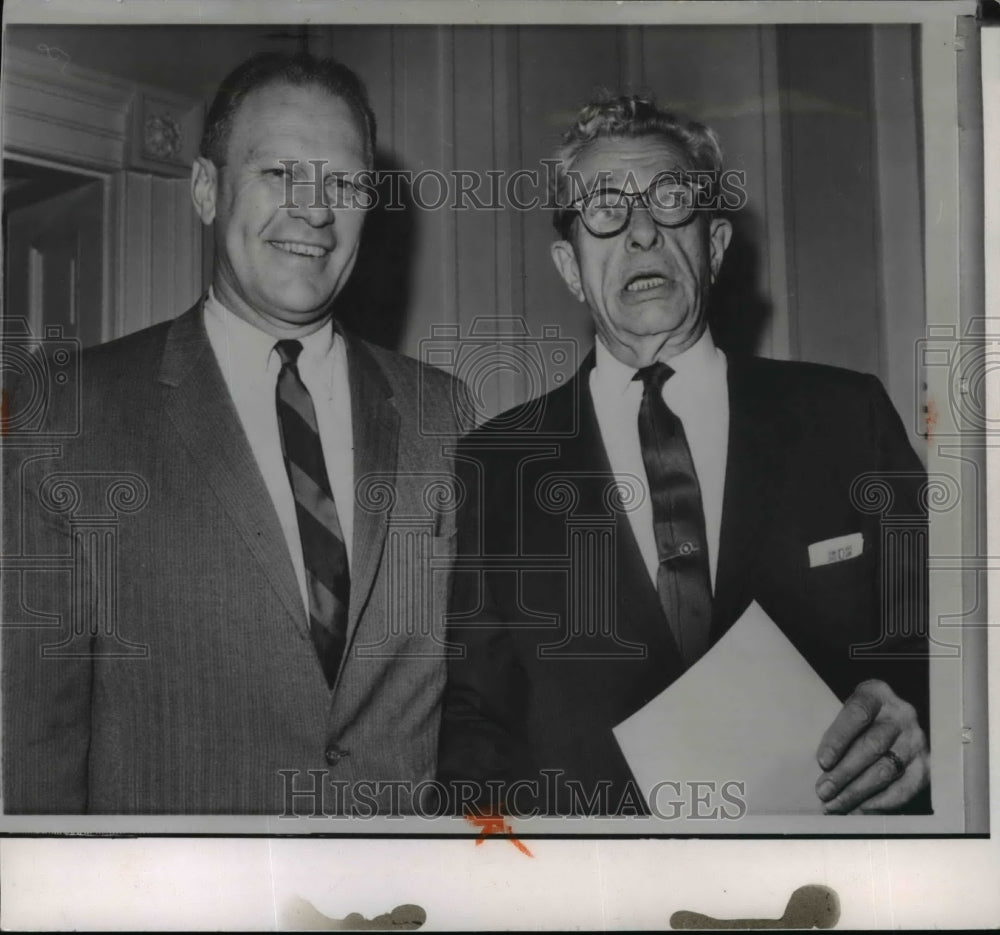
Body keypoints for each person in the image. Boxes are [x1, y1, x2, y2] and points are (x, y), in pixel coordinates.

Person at [438, 95, 930, 817]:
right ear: (570, 267)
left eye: (671, 201)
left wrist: (915, 714)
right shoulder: (495, 466)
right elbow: (472, 722)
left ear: (716, 244)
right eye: (605, 208)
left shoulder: (846, 418)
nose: (641, 232)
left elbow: (955, 644)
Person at [2, 52, 464, 815]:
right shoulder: (65, 413)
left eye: (344, 183)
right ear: (208, 190)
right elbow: (31, 747)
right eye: (281, 172)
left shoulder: (442, 413)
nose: (316, 210)